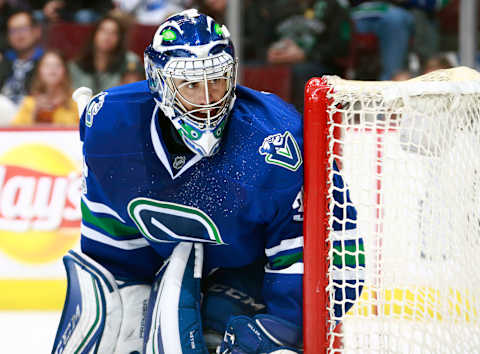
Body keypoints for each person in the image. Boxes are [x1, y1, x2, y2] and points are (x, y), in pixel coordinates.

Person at [52, 9, 364, 354]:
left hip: (252, 276)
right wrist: (127, 293)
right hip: (168, 275)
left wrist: (281, 330)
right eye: (190, 84)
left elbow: (338, 254)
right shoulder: (111, 125)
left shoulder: (274, 142)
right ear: (158, 83)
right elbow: (112, 237)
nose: (207, 98)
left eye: (216, 80)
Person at [69, 14, 143, 94]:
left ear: (120, 38)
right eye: (103, 31)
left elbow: (133, 92)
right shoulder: (76, 65)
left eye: (113, 33)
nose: (107, 37)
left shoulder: (129, 60)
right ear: (94, 34)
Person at [12, 50, 78, 125]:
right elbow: (15, 130)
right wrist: (35, 113)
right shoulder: (30, 103)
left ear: (65, 71)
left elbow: (85, 130)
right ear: (39, 71)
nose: (52, 69)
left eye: (57, 65)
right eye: (47, 65)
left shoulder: (76, 101)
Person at [0, 10, 43, 106]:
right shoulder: (4, 61)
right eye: (13, 31)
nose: (19, 35)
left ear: (37, 31)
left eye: (23, 29)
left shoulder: (47, 62)